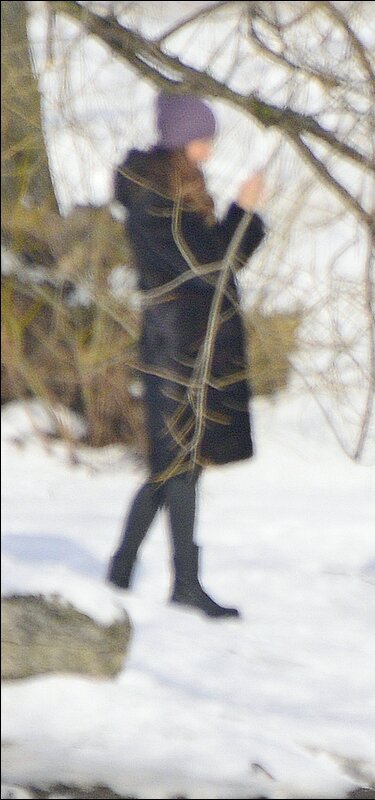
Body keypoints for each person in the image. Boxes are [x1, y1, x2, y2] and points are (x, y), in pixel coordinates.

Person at [105, 93, 267, 619]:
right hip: (176, 344)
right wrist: (245, 211)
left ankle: (122, 572)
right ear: (180, 140)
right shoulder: (156, 197)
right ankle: (184, 583)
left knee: (172, 462)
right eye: (203, 136)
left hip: (190, 340)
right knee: (179, 461)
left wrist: (241, 212)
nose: (210, 146)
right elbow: (209, 265)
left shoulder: (174, 187)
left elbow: (212, 262)